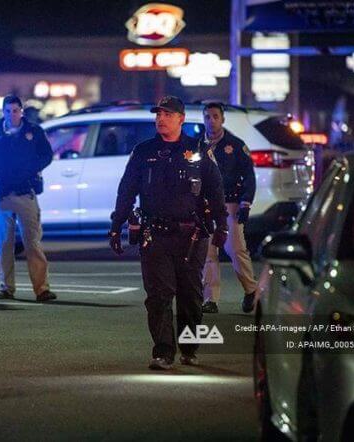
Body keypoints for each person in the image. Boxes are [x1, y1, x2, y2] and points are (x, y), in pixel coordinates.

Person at [109, 96, 227, 370]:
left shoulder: (198, 150)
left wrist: (221, 224)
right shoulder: (144, 151)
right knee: (159, 296)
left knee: (190, 296)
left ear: (181, 119)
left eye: (167, 114)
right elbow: (126, 190)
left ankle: (189, 348)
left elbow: (215, 189)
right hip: (155, 234)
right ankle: (163, 352)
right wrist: (116, 226)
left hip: (192, 235)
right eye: (158, 114)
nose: (160, 119)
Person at [0, 95, 57, 302]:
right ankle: (6, 287)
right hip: (3, 192)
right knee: (4, 243)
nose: (11, 115)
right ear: (3, 112)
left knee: (33, 242)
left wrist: (30, 169)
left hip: (25, 191)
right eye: (7, 111)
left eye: (15, 111)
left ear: (21, 111)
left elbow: (47, 155)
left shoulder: (33, 131)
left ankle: (41, 289)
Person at [199, 102, 258, 314]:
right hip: (205, 206)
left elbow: (249, 176)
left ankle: (251, 290)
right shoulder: (197, 146)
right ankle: (210, 299)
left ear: (223, 119)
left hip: (229, 204)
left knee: (235, 249)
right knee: (208, 252)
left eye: (215, 116)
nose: (211, 121)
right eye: (207, 117)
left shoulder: (235, 146)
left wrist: (246, 202)